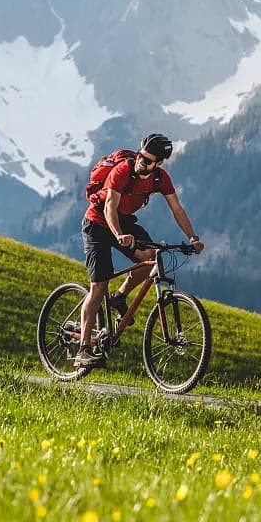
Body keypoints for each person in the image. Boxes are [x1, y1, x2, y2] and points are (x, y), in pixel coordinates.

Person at [77, 133, 203, 368]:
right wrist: (119, 235)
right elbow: (109, 207)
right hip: (98, 223)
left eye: (147, 160)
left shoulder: (160, 178)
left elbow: (177, 209)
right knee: (99, 286)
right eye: (141, 156)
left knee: (153, 259)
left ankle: (119, 297)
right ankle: (83, 349)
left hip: (124, 222)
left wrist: (192, 238)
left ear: (159, 163)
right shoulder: (122, 171)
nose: (141, 161)